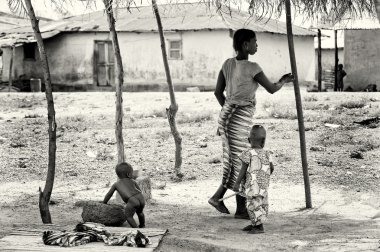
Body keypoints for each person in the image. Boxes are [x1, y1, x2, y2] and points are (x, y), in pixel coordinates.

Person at [208, 28, 293, 218]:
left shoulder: (227, 64)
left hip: (226, 117)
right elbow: (271, 88)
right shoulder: (252, 67)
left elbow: (217, 93)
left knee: (233, 162)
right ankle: (239, 210)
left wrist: (229, 111)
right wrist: (283, 80)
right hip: (238, 119)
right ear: (246, 45)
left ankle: (218, 198)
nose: (257, 45)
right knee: (241, 162)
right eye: (255, 42)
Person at [233, 125, 274, 234]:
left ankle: (259, 227)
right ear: (264, 140)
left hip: (252, 186)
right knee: (261, 204)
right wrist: (265, 177)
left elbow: (242, 170)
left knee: (252, 206)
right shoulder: (267, 153)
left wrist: (237, 184)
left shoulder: (247, 153)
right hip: (263, 186)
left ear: (248, 139)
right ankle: (255, 224)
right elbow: (271, 168)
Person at [103, 162, 145, 228]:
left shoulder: (116, 184)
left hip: (132, 200)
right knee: (140, 212)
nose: (133, 174)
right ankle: (142, 225)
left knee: (128, 216)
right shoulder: (133, 181)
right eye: (132, 172)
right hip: (140, 197)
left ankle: (136, 229)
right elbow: (139, 190)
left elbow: (109, 194)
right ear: (128, 174)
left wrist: (104, 202)